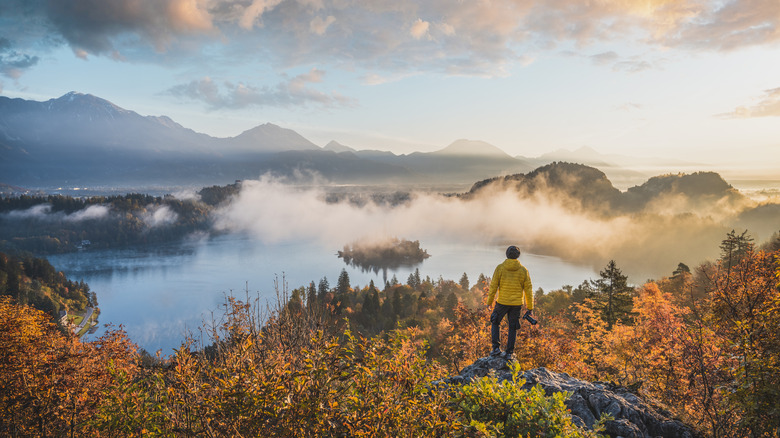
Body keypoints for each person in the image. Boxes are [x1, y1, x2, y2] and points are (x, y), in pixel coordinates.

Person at [487, 245, 534, 360]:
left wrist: (489, 302)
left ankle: (496, 349)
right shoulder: (523, 270)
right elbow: (528, 289)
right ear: (518, 256)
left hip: (502, 302)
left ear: (506, 255)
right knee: (512, 327)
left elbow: (493, 286)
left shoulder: (500, 268)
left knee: (495, 322)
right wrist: (530, 307)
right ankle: (509, 353)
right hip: (516, 304)